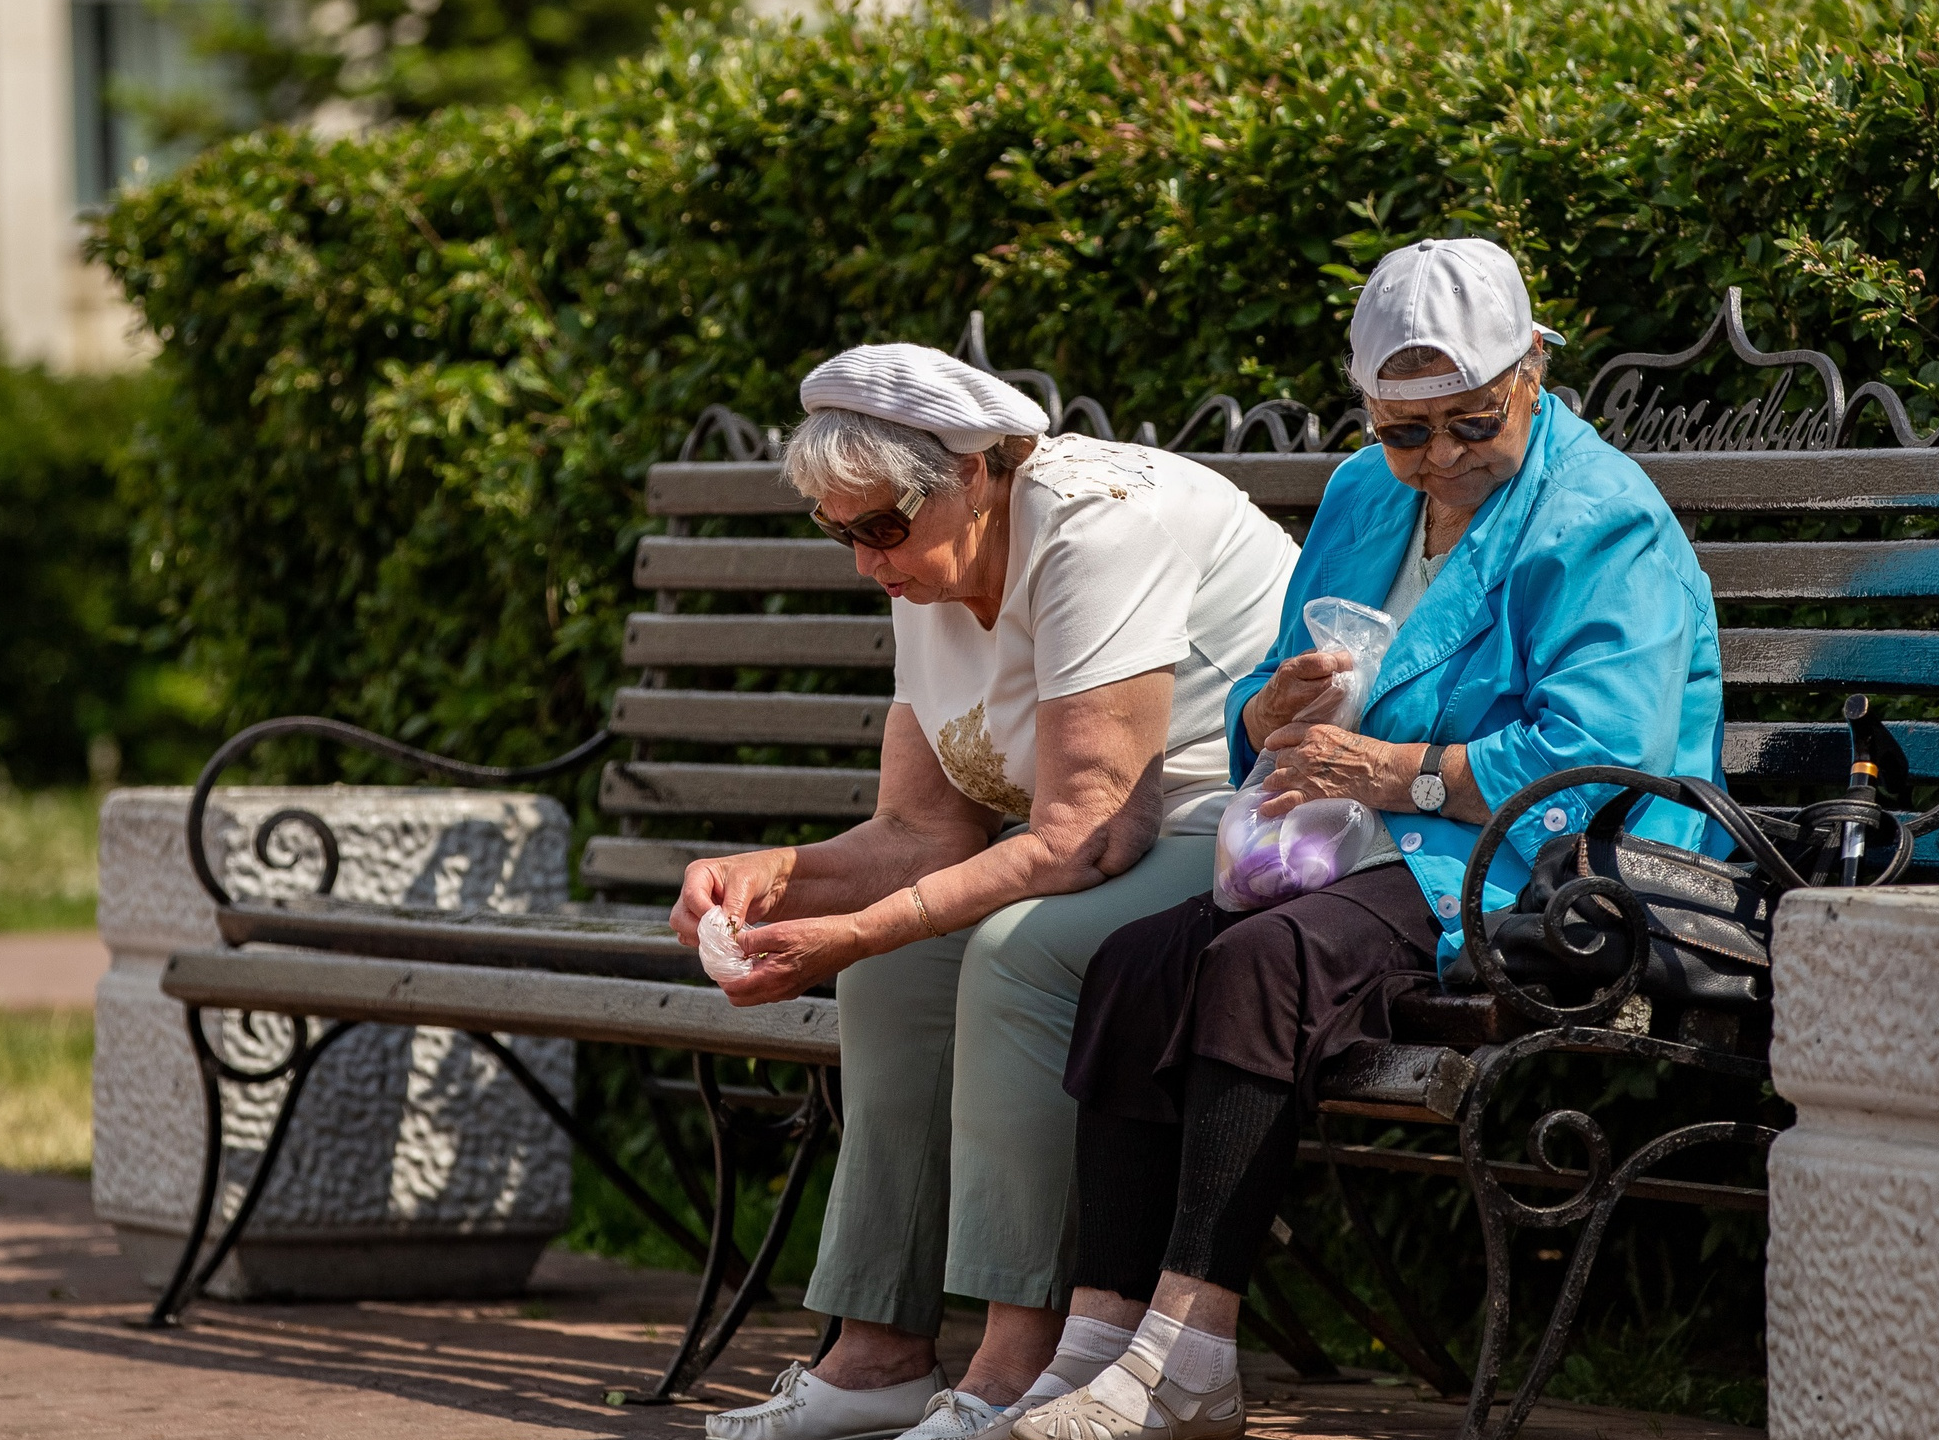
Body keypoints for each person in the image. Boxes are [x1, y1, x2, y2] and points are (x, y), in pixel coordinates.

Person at [1010, 237, 1728, 1440]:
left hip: (1547, 865)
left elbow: (1608, 750)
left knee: (1261, 965)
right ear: (1367, 413)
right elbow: (1285, 695)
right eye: (1406, 431)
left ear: (1533, 375)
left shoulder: (1600, 517)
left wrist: (1399, 773)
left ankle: (1189, 1361)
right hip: (1370, 844)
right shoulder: (1360, 493)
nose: (1438, 458)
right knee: (1134, 963)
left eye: (1469, 422)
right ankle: (1095, 1342)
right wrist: (1265, 713)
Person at [675, 343, 1300, 1440]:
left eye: (880, 529)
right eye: (842, 534)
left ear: (975, 472)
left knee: (1021, 952)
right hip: (1114, 844)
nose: (868, 562)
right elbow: (923, 830)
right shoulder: (928, 554)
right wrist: (776, 879)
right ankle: (874, 1358)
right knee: (893, 971)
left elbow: (1084, 840)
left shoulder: (1100, 527)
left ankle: (1021, 1364)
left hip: (1242, 834)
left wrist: (855, 922)